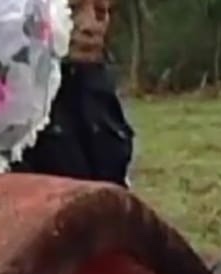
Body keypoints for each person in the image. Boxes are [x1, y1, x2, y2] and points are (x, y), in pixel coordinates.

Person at [12, 0, 134, 185]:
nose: (91, 26)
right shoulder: (1, 106)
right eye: (72, 9)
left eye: (101, 11)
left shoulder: (102, 92)